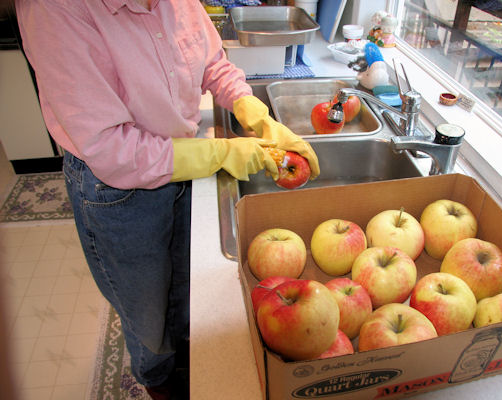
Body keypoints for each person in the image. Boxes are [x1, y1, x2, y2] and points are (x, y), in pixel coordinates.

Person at [14, 1, 320, 399]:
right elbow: (111, 150)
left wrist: (255, 113)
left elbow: (211, 62)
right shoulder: (54, 11)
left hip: (182, 161)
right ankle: (158, 380)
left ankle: (185, 360)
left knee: (181, 284)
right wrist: (222, 154)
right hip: (117, 191)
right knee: (145, 309)